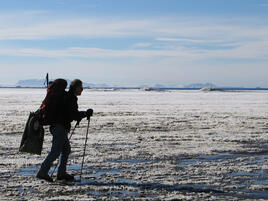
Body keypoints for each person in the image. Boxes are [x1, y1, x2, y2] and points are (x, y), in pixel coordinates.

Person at [36, 79, 93, 182]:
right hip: (59, 127)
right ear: (76, 88)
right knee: (56, 151)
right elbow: (73, 114)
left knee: (66, 149)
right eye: (81, 87)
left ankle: (61, 173)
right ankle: (43, 171)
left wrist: (82, 114)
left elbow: (70, 113)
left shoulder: (67, 97)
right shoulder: (70, 98)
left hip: (58, 127)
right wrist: (85, 114)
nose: (82, 89)